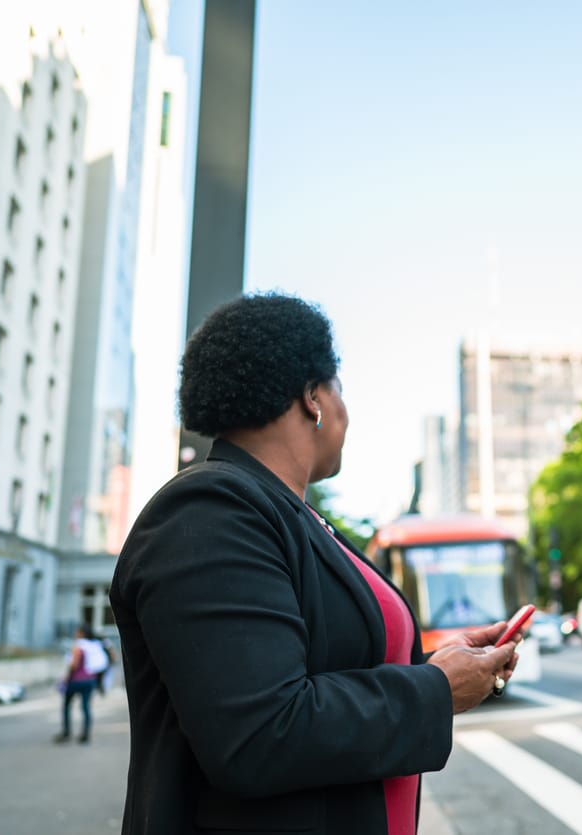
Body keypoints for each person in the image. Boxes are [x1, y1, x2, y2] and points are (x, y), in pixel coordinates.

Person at [109, 293, 522, 835]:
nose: (347, 409)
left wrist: (437, 663)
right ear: (313, 397)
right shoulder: (211, 510)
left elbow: (327, 665)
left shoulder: (295, 516)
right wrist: (435, 691)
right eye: (339, 387)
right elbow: (260, 733)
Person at [54, 623, 105, 744]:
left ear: (82, 633)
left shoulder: (79, 645)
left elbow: (74, 664)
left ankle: (66, 732)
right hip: (90, 680)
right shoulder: (94, 645)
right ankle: (85, 734)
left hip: (76, 680)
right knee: (86, 707)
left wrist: (67, 677)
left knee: (66, 705)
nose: (75, 633)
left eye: (77, 631)